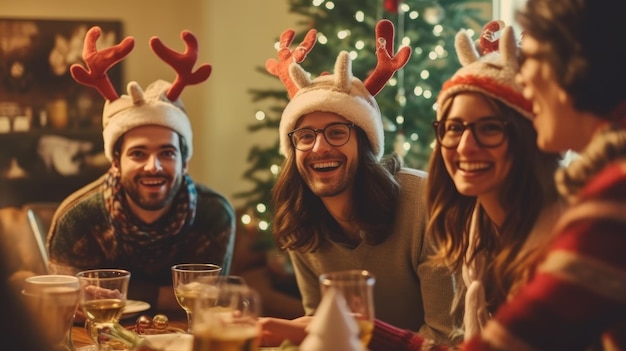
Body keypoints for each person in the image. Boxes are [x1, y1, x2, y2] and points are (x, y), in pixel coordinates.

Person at [366, 20, 564, 350]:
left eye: (489, 128)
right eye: (454, 127)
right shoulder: (477, 230)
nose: (465, 146)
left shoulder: (561, 242)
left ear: (529, 139)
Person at [259, 20, 458, 346]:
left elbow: (446, 339)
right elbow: (325, 335)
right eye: (305, 136)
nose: (319, 147)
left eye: (337, 132)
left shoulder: (426, 202)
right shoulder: (298, 221)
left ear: (364, 144)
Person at [46, 27, 236, 316]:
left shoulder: (214, 214)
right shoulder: (76, 218)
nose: (153, 166)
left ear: (184, 161)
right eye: (138, 153)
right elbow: (66, 305)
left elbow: (206, 302)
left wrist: (117, 292)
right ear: (116, 161)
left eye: (167, 153)